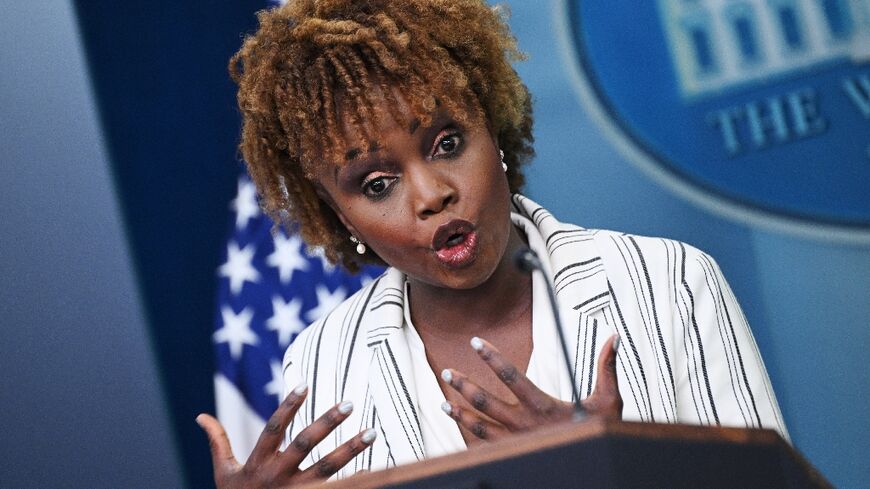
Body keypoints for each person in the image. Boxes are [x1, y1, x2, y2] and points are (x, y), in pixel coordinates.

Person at [196, 0, 789, 486]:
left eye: (446, 143)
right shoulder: (323, 362)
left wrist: (615, 469)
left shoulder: (668, 283)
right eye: (377, 184)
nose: (431, 195)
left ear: (495, 126)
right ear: (337, 213)